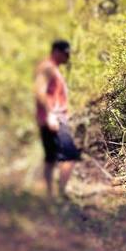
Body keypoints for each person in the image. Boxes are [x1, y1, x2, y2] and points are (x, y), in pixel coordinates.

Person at [34, 39, 81, 198]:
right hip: (53, 119)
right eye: (65, 53)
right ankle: (61, 194)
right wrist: (51, 115)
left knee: (51, 158)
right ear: (56, 51)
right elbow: (40, 91)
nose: (68, 57)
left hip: (51, 118)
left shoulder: (52, 68)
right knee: (70, 155)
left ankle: (49, 196)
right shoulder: (47, 67)